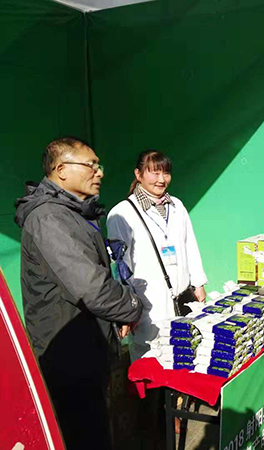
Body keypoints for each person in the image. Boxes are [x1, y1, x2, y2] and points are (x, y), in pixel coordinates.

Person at [15, 137, 143, 450]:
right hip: (69, 356)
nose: (99, 172)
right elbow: (91, 287)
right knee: (84, 436)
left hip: (86, 345)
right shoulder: (49, 218)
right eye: (91, 165)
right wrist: (132, 307)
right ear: (61, 170)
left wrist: (116, 316)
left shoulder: (74, 212)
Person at [107, 150, 208, 362]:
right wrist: (128, 308)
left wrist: (198, 284)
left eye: (166, 173)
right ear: (138, 174)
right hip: (148, 305)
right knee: (151, 358)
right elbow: (119, 267)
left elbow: (190, 245)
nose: (161, 179)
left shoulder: (177, 206)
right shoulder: (121, 213)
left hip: (182, 297)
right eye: (154, 173)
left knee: (185, 354)